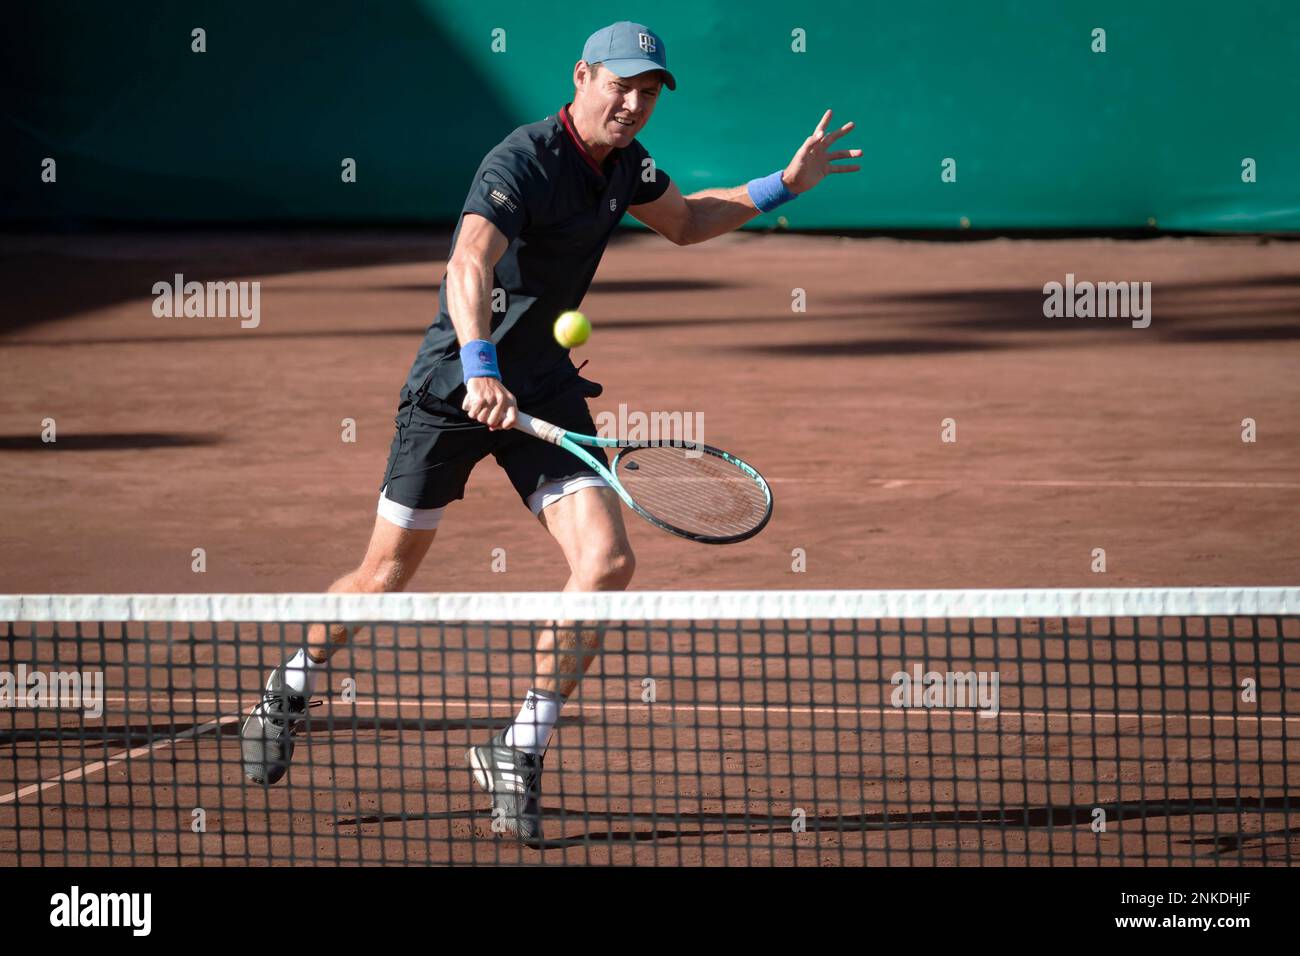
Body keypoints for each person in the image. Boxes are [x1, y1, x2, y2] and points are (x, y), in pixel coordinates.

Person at [240, 20, 860, 846]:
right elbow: (468, 262)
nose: (633, 105)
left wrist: (783, 184)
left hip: (543, 392)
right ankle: (289, 686)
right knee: (384, 574)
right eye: (621, 86)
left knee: (606, 561)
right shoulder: (522, 160)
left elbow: (685, 220)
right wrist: (480, 367)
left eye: (648, 93)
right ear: (582, 77)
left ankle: (518, 747)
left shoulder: (627, 166)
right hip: (453, 389)